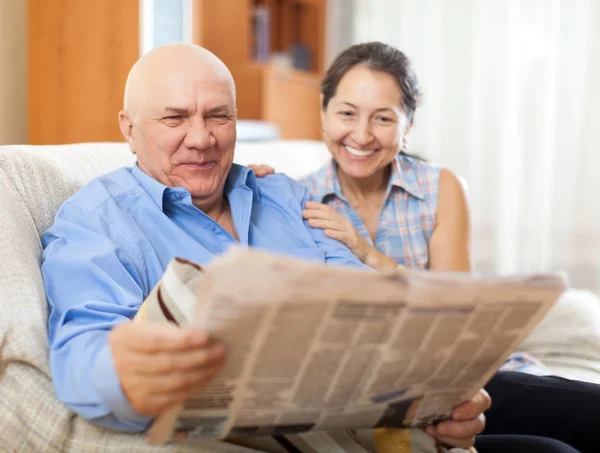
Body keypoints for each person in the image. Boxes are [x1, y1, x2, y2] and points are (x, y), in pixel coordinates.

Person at [41, 43, 490, 451]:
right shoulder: (97, 220)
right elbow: (82, 353)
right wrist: (127, 376)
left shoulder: (286, 196)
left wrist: (443, 386)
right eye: (174, 118)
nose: (201, 139)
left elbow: (377, 304)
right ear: (129, 128)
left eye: (218, 116)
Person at [250, 42, 599, 453]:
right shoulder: (296, 199)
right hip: (370, 393)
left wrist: (366, 253)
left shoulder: (439, 188)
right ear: (323, 112)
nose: (361, 135)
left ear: (408, 124)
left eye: (383, 118)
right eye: (346, 113)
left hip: (458, 377)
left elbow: (459, 315)